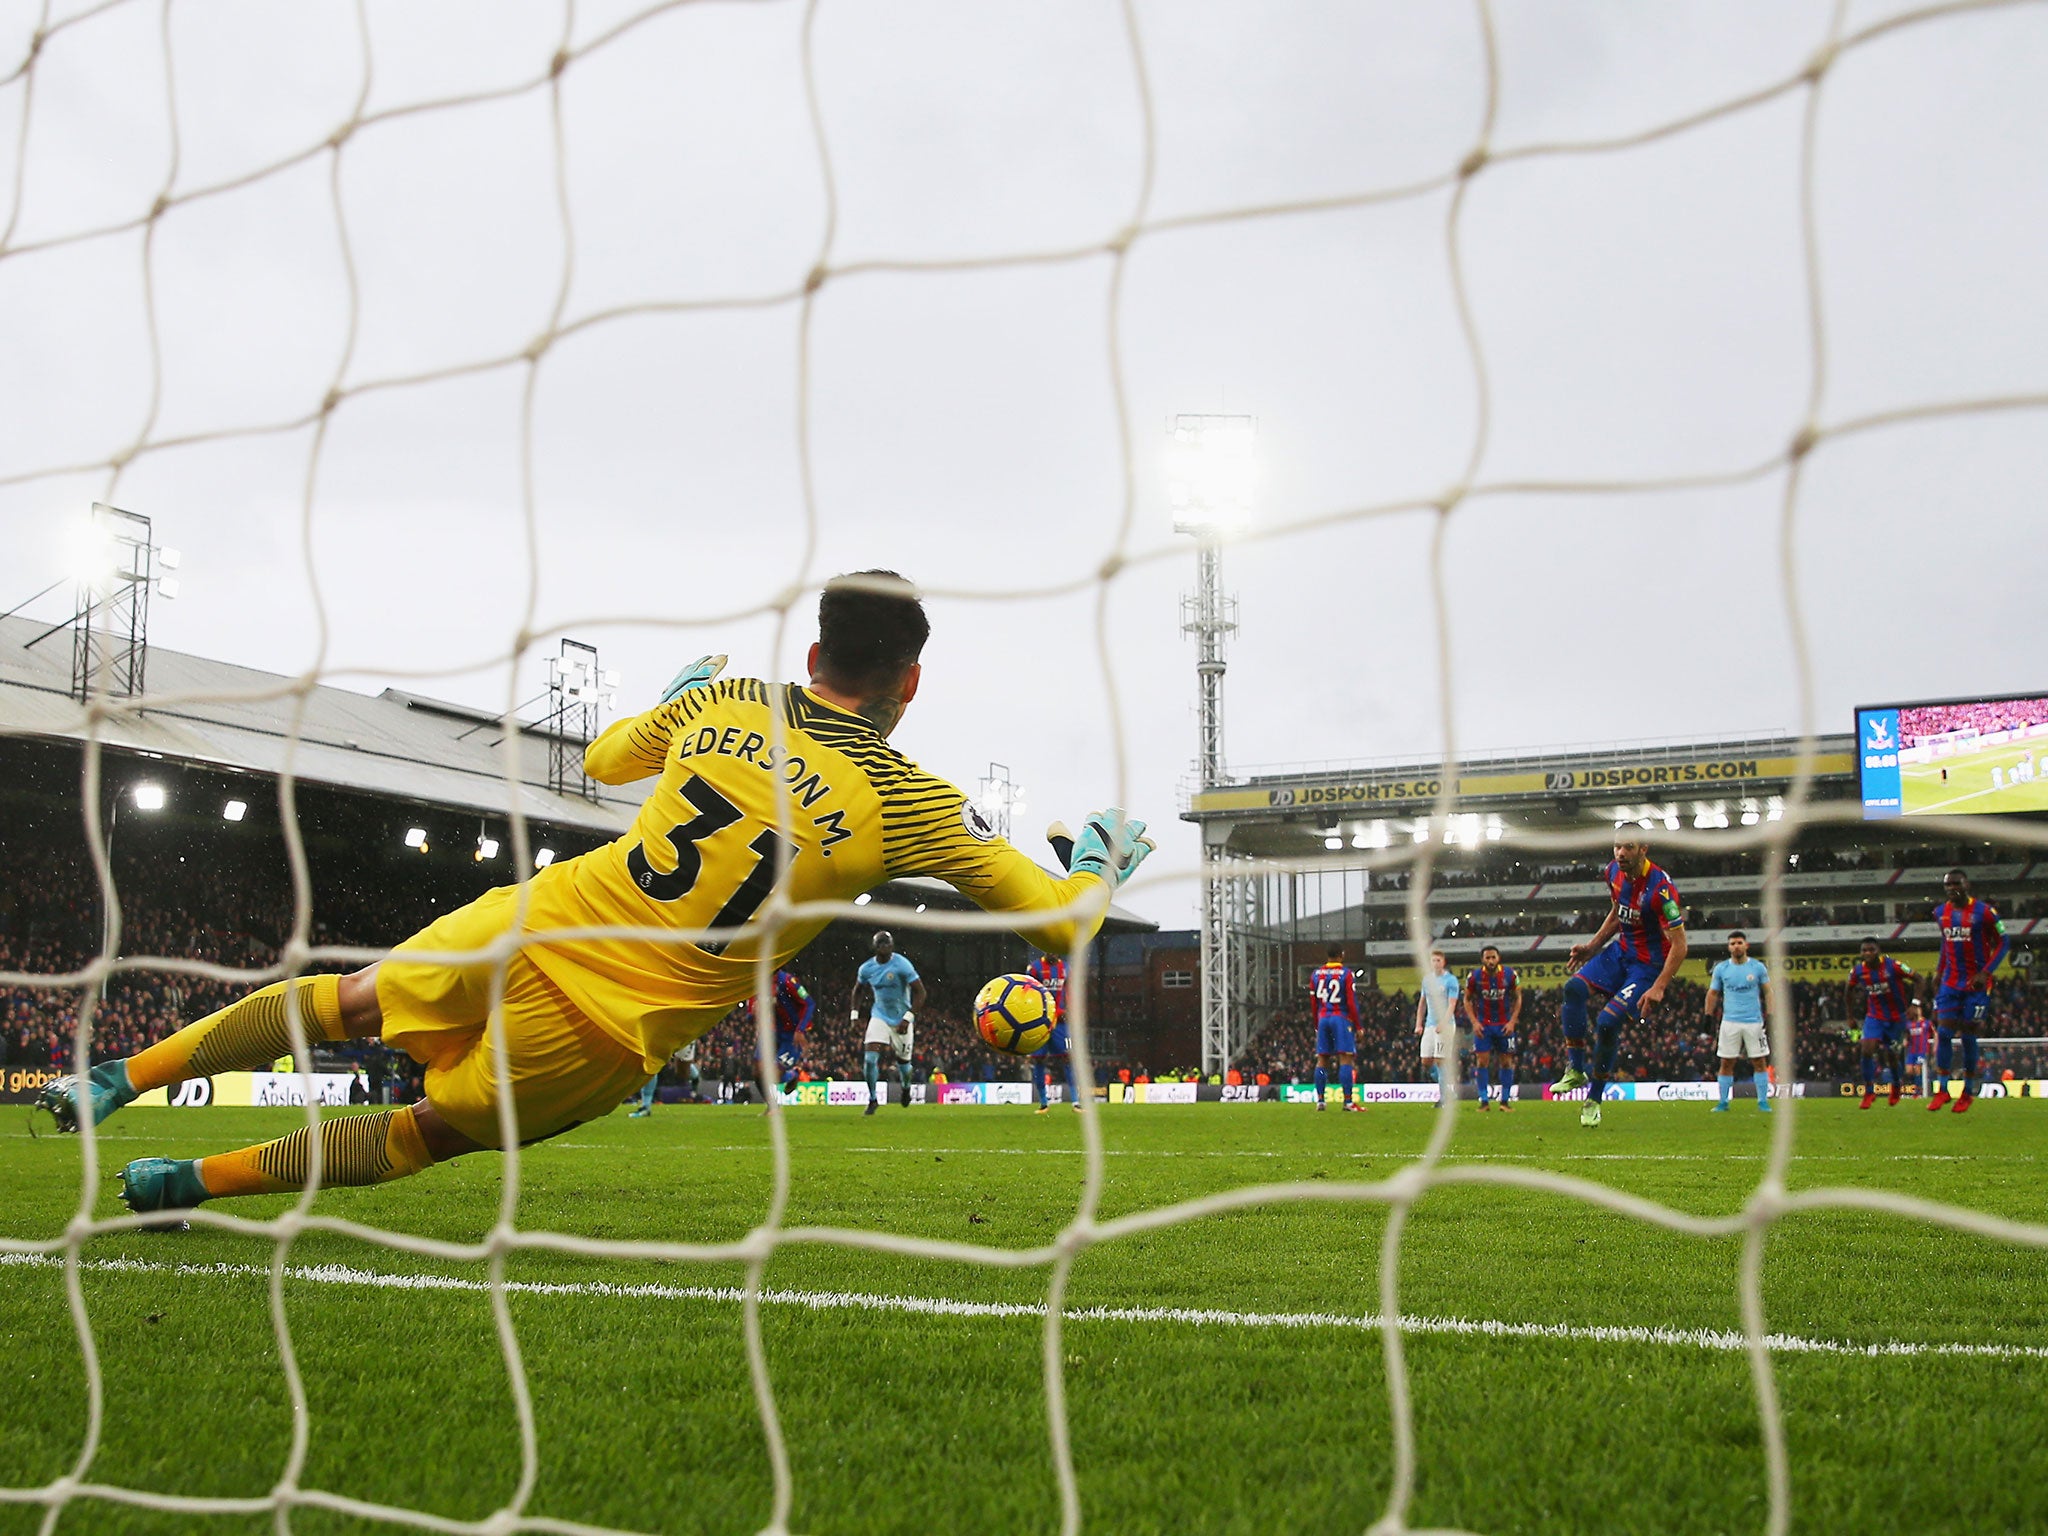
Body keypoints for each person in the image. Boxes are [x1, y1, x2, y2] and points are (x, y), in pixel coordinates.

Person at [46, 571, 1155, 1210]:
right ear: (911, 680)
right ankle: (182, 1182)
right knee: (423, 1131)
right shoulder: (907, 797)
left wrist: (679, 695)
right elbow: (1062, 918)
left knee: (346, 1001)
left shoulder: (722, 706)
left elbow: (607, 761)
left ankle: (116, 1076)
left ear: (812, 650)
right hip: (607, 1017)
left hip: (545, 910)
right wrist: (1101, 855)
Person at [1551, 837, 1688, 1129]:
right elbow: (1617, 913)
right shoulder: (1613, 872)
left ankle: (1594, 1100)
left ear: (1644, 850)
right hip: (1620, 952)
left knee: (1606, 1022)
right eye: (1617, 847)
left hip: (1646, 967)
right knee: (1572, 988)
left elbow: (1680, 945)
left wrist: (1660, 986)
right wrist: (1592, 947)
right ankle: (1575, 1069)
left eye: (1628, 847)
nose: (1621, 853)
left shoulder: (1662, 890)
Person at [1927, 868, 2008, 1113]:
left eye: (1956, 884)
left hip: (1976, 984)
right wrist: (1939, 972)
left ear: (1966, 885)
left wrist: (1986, 972)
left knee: (1969, 1036)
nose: (1952, 888)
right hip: (1950, 982)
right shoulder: (1940, 913)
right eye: (1948, 885)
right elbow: (1946, 943)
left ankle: (1967, 1091)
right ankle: (1942, 1090)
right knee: (1944, 1031)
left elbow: (2004, 942)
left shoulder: (1985, 912)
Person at [852, 930, 924, 1115]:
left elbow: (920, 992)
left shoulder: (902, 965)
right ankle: (873, 1099)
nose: (884, 947)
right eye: (881, 944)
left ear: (892, 946)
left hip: (902, 1019)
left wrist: (908, 1018)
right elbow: (858, 990)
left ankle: (906, 1087)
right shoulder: (866, 968)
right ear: (875, 947)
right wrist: (854, 1016)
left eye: (887, 943)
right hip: (879, 1016)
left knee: (904, 1065)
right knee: (869, 1059)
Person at [1705, 931, 1772, 1114]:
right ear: (1728, 947)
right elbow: (1712, 993)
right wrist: (1708, 1017)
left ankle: (1763, 1102)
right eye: (1733, 943)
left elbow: (1768, 992)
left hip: (1754, 1022)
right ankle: (1723, 1102)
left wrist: (1771, 1015)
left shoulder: (1758, 967)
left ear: (1746, 945)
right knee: (1727, 1062)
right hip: (1730, 1022)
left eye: (1739, 942)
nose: (1736, 946)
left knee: (1759, 1061)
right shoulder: (1721, 969)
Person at [1845, 938, 1916, 1109]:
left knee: (1892, 1056)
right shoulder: (1858, 971)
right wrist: (1850, 1016)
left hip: (1896, 1018)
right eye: (1864, 950)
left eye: (1871, 950)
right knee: (1866, 1049)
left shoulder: (1894, 966)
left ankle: (1897, 1086)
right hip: (1874, 1016)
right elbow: (1848, 991)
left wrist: (1916, 1004)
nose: (1867, 953)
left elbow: (1919, 979)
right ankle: (1869, 1091)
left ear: (1879, 951)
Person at [1462, 944, 1519, 1111]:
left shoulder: (1510, 974)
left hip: (1504, 1025)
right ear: (1483, 960)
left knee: (1507, 1062)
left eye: (1493, 957)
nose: (1491, 960)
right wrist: (1474, 1022)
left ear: (1498, 958)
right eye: (1487, 958)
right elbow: (1467, 999)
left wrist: (1512, 1022)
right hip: (1484, 1025)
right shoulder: (1474, 976)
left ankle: (1505, 1102)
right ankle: (1484, 1101)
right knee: (1482, 1061)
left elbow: (1518, 998)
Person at [1309, 946, 1361, 1112]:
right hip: (1341, 1018)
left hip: (1323, 1017)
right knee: (1345, 1058)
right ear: (1341, 955)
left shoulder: (1315, 974)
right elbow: (1351, 1002)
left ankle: (1321, 1101)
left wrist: (1317, 1023)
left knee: (1322, 1059)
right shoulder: (1346, 974)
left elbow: (1313, 1003)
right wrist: (1358, 1025)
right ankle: (1347, 1102)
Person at [1026, 949, 1077, 1114]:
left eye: (1055, 951)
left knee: (1068, 1058)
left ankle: (1076, 1103)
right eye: (1050, 950)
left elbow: (1071, 992)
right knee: (1039, 1061)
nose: (1053, 953)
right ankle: (1043, 1103)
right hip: (1039, 1022)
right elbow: (1026, 992)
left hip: (1061, 1023)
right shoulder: (1034, 968)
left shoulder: (1066, 968)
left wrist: (1069, 1010)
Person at [1413, 951, 1460, 1092]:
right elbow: (1422, 1004)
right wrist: (1418, 1024)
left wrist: (1443, 1023)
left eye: (1438, 960)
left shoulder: (1451, 980)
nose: (1436, 963)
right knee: (1426, 1061)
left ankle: (1444, 1096)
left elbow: (1452, 1004)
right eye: (1433, 960)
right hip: (1430, 1025)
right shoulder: (1427, 980)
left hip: (1445, 1025)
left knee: (1440, 1061)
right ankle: (1446, 1086)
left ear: (1443, 962)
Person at [1903, 1000, 1931, 1096]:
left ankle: (1919, 1092)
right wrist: (1905, 1040)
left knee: (1917, 1069)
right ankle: (1914, 1088)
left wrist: (1933, 1046)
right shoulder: (1909, 1024)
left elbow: (1935, 1034)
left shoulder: (1926, 1023)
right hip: (1912, 1051)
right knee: (1909, 1070)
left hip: (1922, 1051)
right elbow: (1907, 1036)